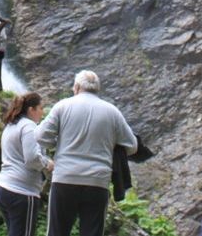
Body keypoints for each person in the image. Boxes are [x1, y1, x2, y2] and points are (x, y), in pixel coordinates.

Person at [36, 70, 137, 236]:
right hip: (97, 181)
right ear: (97, 88)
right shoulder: (112, 112)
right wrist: (109, 147)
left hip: (65, 178)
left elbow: (40, 136)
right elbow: (132, 145)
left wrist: (58, 144)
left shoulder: (63, 106)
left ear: (76, 87)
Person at [0, 92, 53, 236]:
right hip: (22, 191)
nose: (42, 112)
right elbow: (31, 158)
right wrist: (47, 163)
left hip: (3, 187)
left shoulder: (11, 125)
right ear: (31, 109)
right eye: (40, 108)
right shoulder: (29, 126)